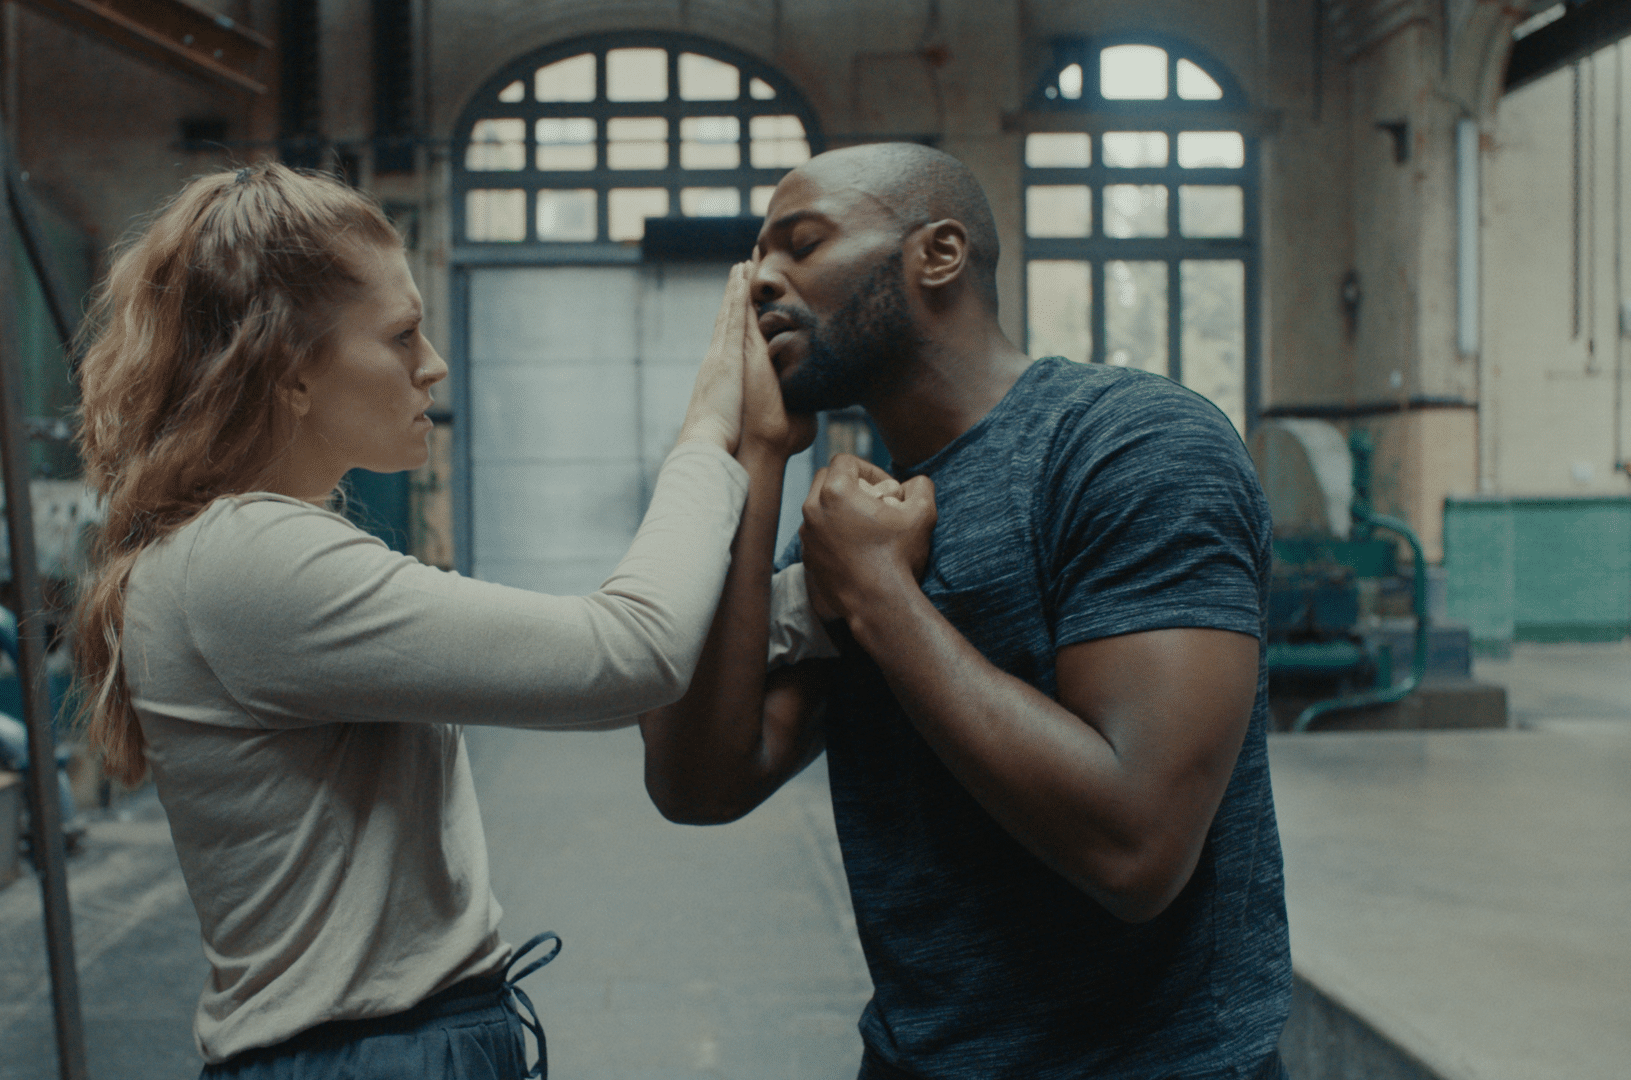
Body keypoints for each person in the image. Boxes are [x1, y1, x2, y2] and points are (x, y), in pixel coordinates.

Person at [67, 163, 809, 1079]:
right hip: (366, 1057)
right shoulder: (247, 558)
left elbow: (629, 639)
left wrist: (817, 602)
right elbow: (631, 654)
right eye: (401, 335)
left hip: (388, 1044)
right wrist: (708, 430)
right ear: (291, 371)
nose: (434, 364)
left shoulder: (248, 549)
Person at [641, 143, 1292, 1079]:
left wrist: (879, 594)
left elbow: (1136, 849)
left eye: (802, 243)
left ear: (938, 254)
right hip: (912, 1061)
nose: (759, 283)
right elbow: (698, 782)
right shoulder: (858, 518)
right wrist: (756, 454)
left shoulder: (1129, 445)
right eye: (755, 258)